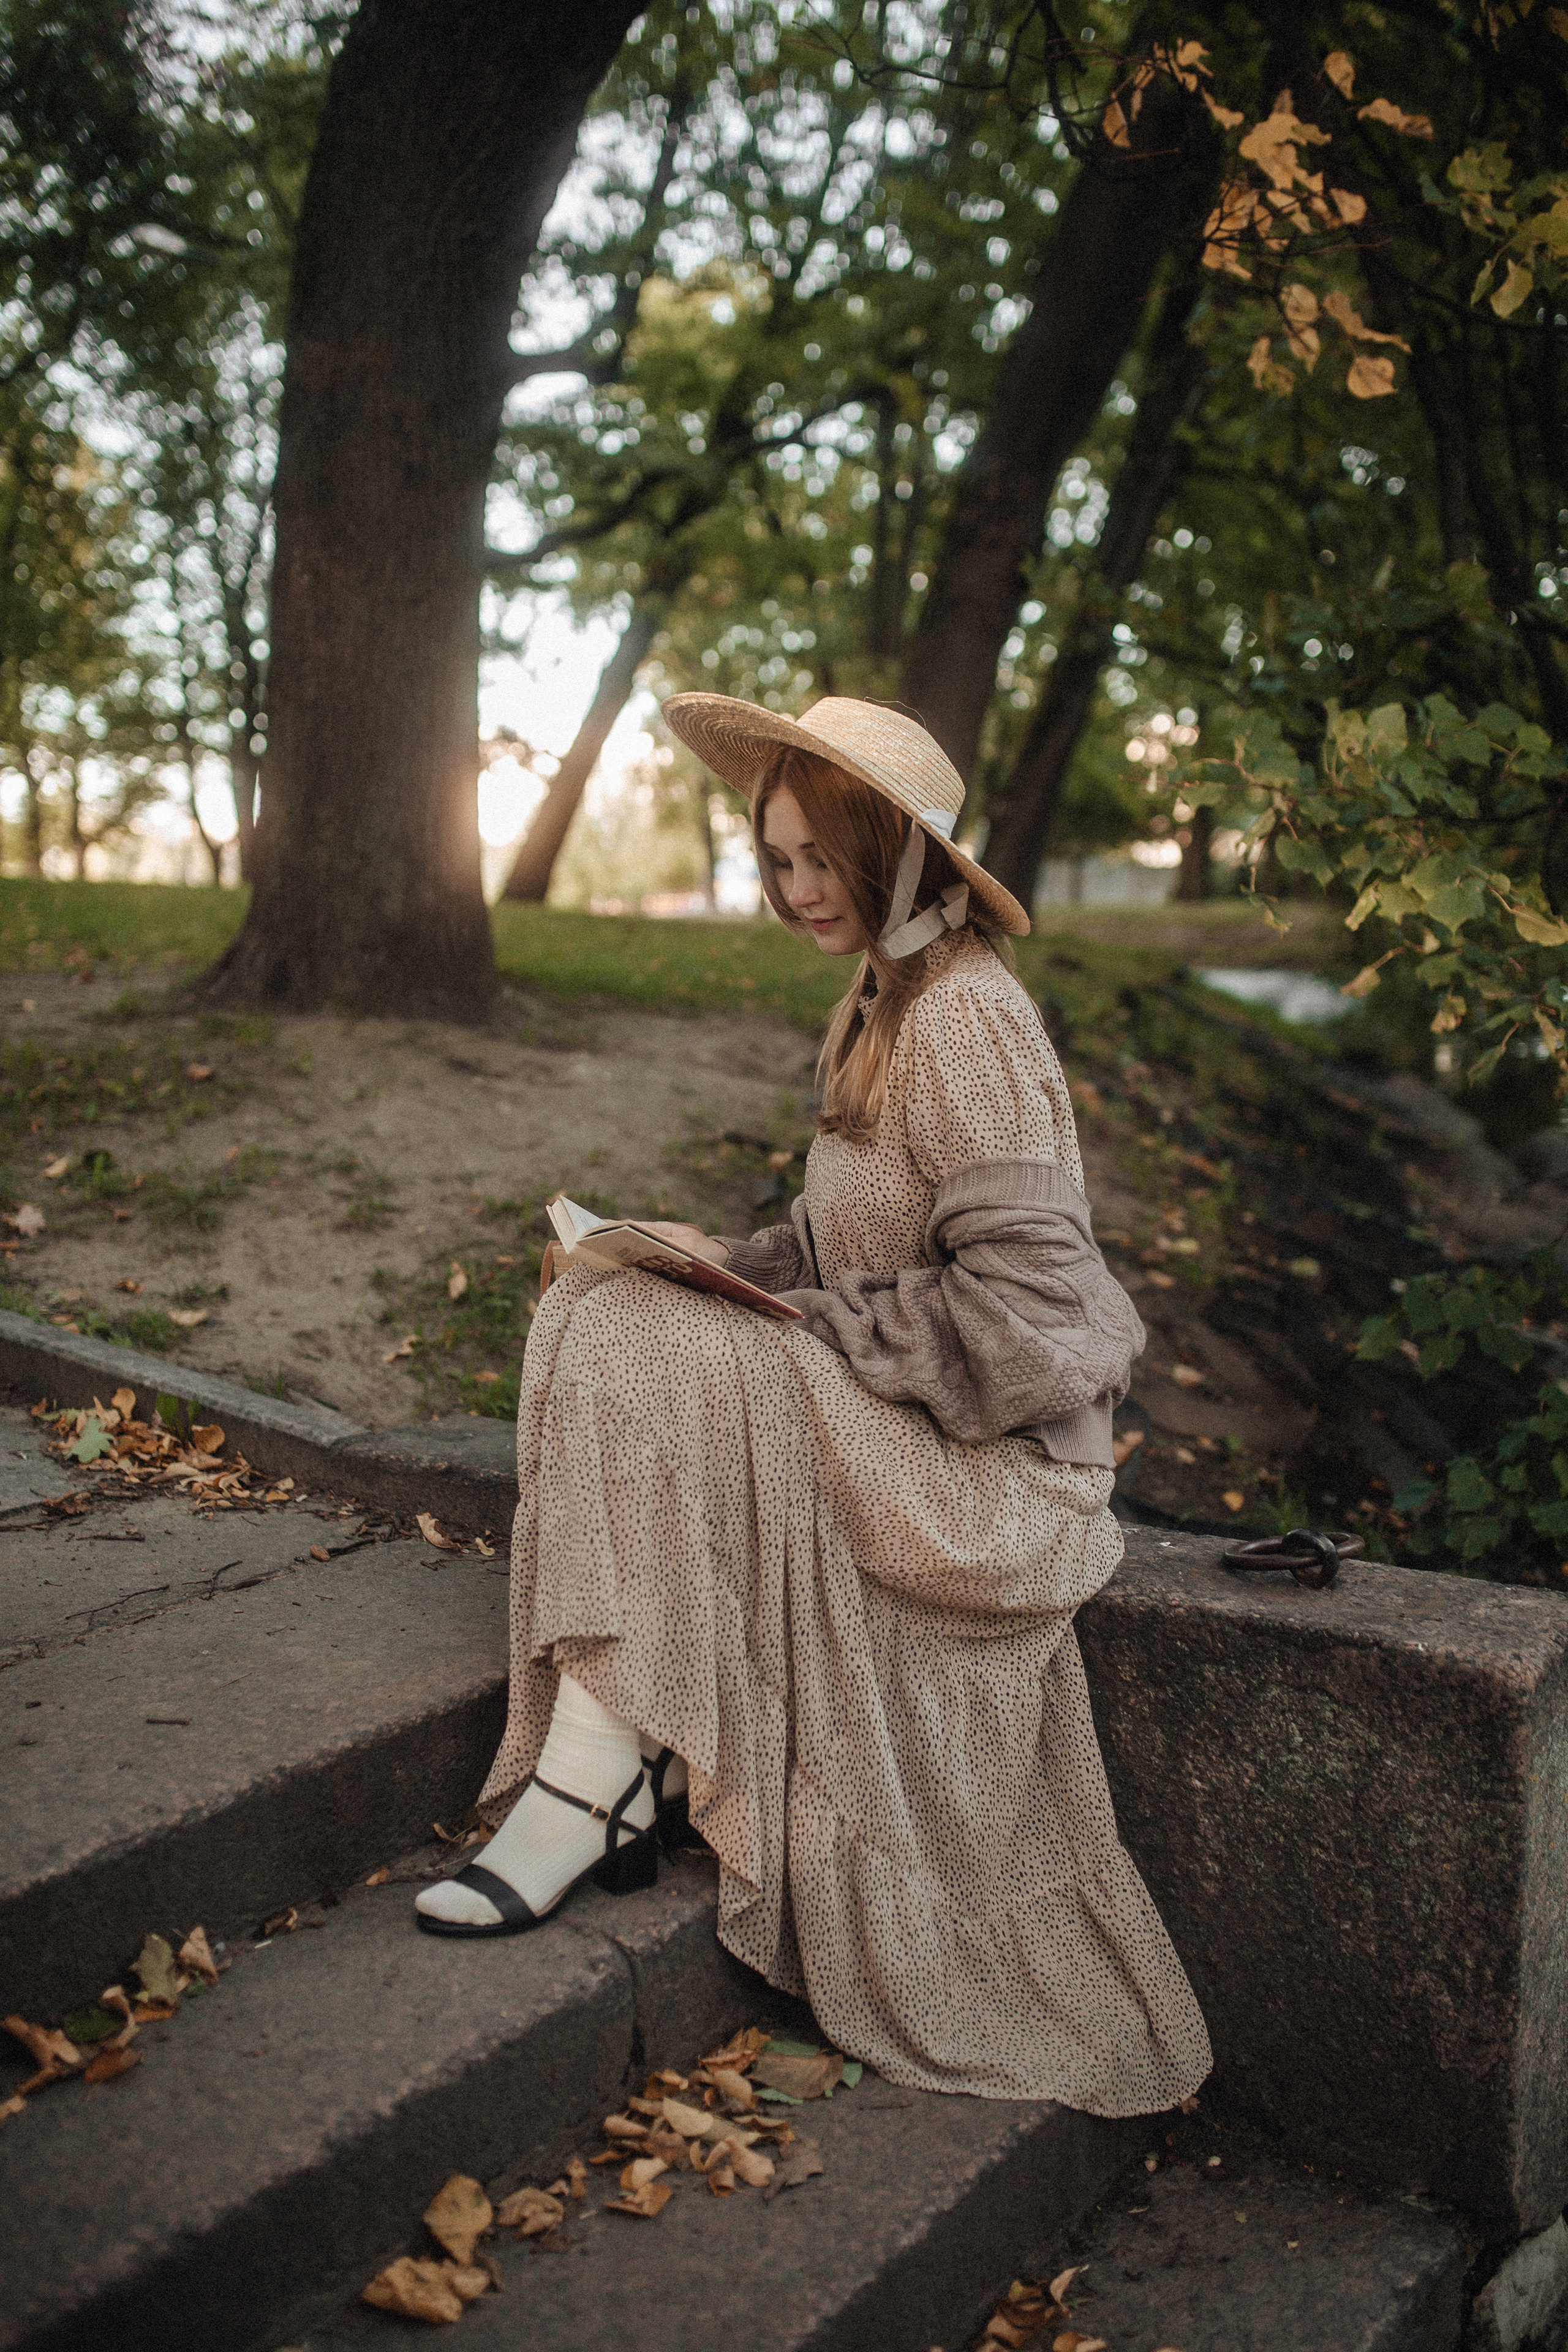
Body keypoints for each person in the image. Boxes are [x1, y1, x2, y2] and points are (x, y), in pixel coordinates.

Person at [415, 693, 1210, 2116]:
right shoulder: (879, 1003)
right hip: (912, 1419)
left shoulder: (966, 1020)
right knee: (599, 1303)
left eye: (815, 861)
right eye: (772, 860)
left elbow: (1040, 1328)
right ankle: (612, 1762)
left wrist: (798, 1325)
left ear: (893, 854)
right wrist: (726, 1261)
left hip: (996, 1481)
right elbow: (866, 1246)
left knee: (648, 1343)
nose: (790, 894)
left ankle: (595, 1784)